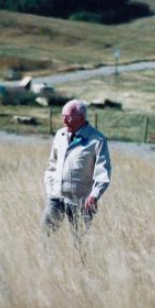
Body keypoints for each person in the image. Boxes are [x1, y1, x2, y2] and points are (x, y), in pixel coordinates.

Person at [42, 99, 111, 245]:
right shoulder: (60, 135)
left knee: (80, 242)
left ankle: (80, 266)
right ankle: (42, 265)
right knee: (44, 235)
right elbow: (52, 165)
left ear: (81, 118)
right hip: (57, 198)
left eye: (68, 117)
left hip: (81, 201)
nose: (64, 120)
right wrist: (50, 190)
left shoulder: (97, 140)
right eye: (63, 116)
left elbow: (103, 172)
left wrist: (94, 195)